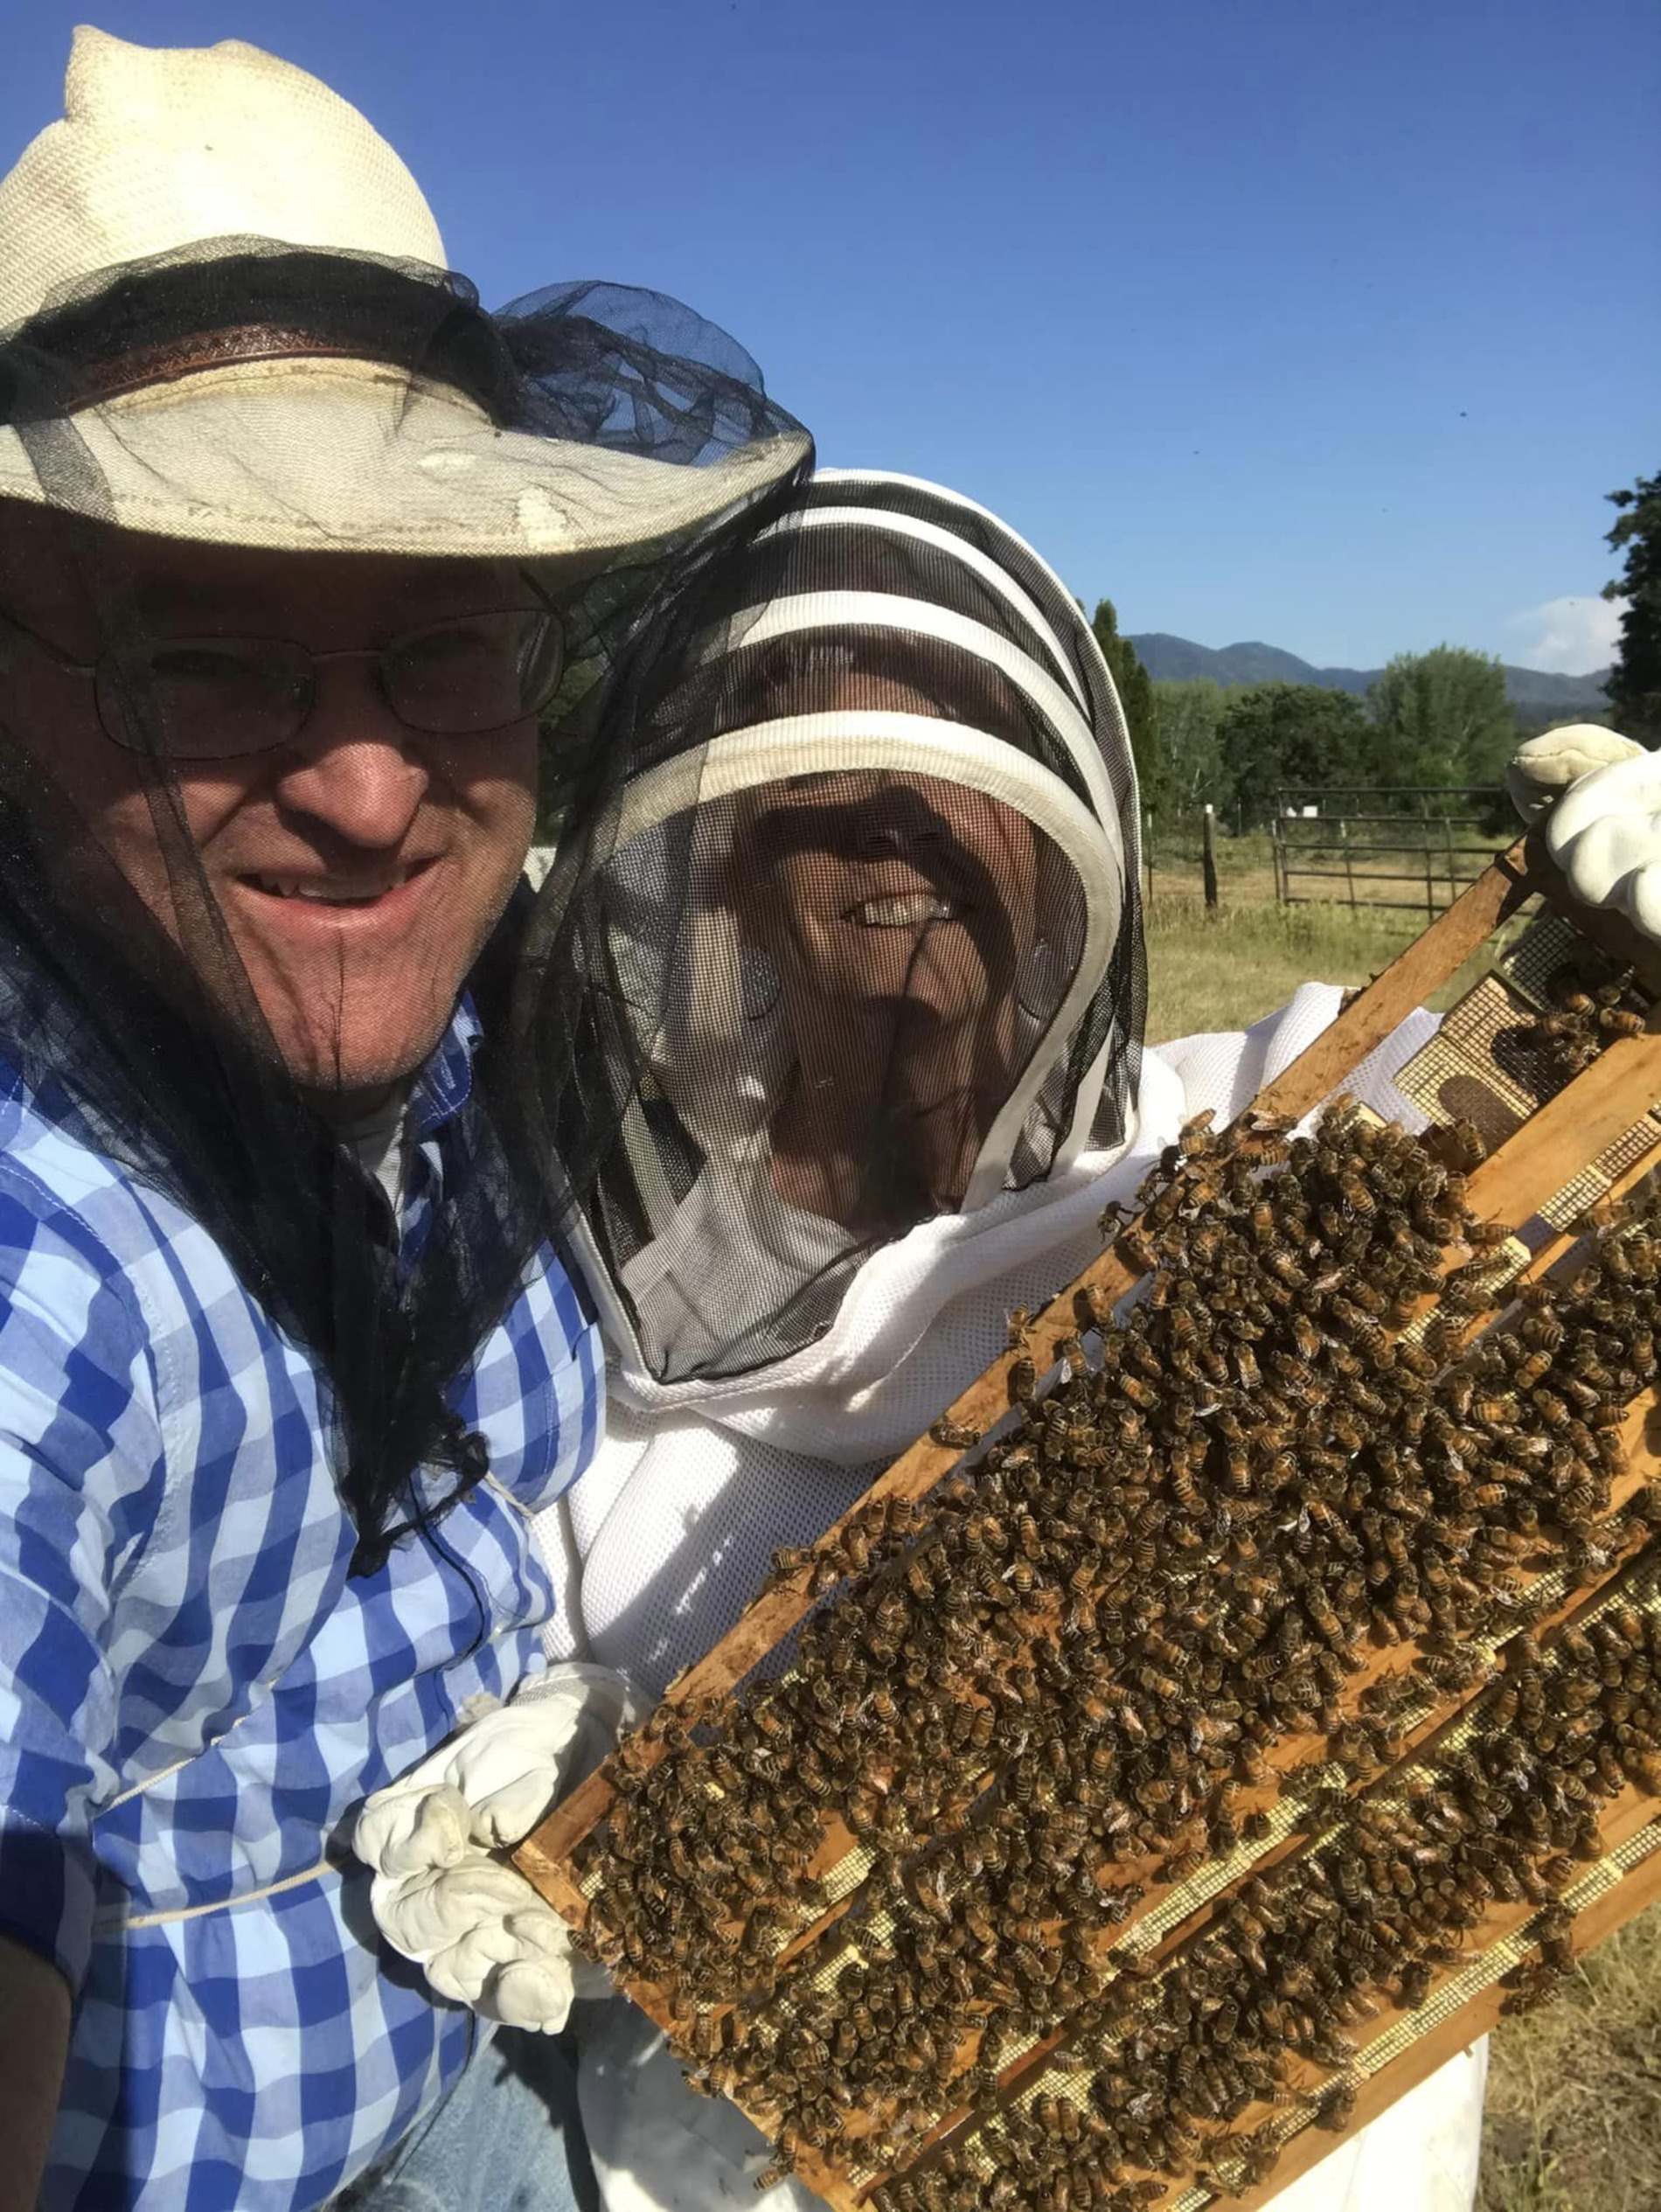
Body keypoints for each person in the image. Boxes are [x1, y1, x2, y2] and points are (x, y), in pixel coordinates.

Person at [369, 474, 1661, 2210]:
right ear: (708, 854)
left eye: (955, 743)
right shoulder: (573, 1334)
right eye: (807, 756)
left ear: (1062, 825)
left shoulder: (1295, 1143)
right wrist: (623, 1796)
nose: (893, 810)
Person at [0, 25, 809, 2211]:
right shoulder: (40, 1250)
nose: (363, 791)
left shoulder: (458, 1030)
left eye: (440, 645)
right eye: (201, 657)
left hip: (471, 2072)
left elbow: (949, 1115)